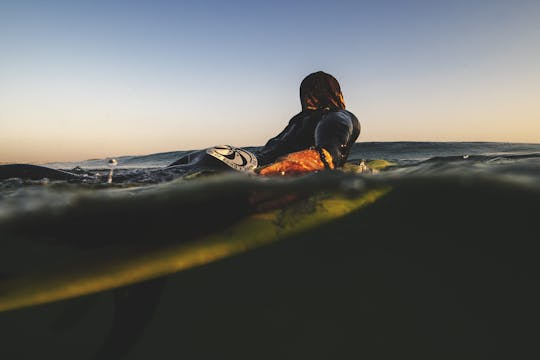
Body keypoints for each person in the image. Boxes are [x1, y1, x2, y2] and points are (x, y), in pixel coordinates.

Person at [168, 71, 360, 176]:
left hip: (224, 155)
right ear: (337, 94)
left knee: (152, 180)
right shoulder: (336, 114)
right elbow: (338, 123)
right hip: (244, 167)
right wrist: (324, 156)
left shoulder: (298, 122)